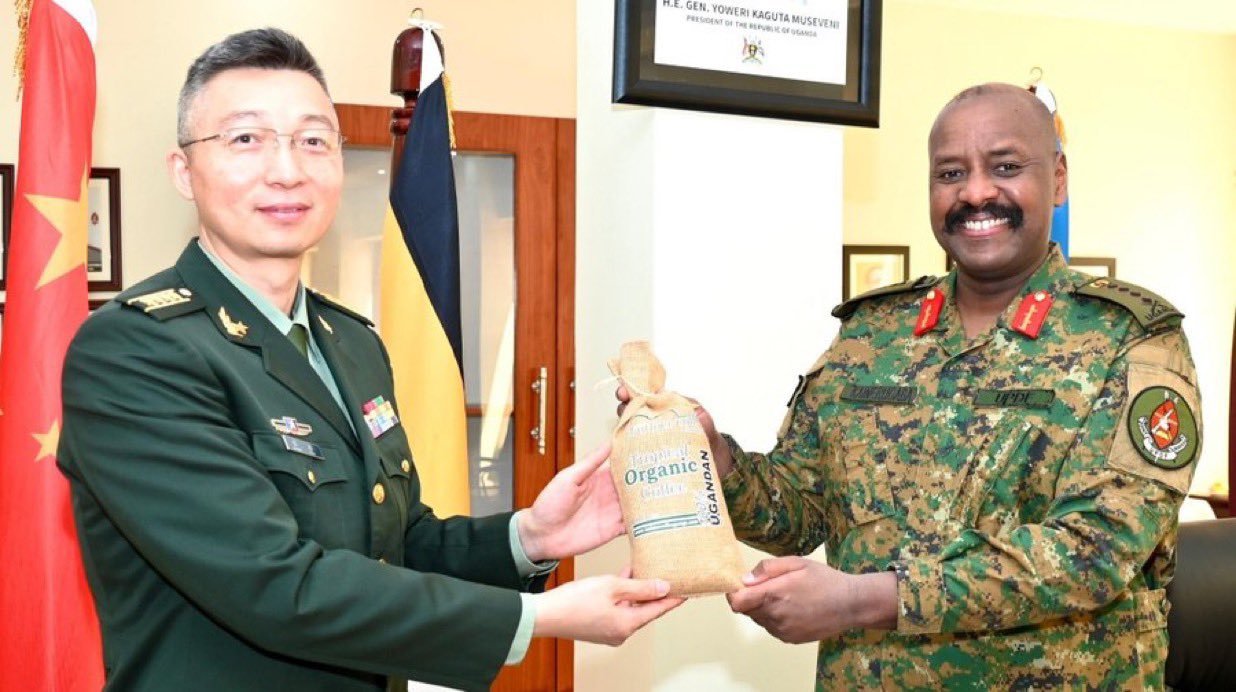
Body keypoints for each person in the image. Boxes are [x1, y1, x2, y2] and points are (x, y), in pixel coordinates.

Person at [58, 28, 680, 692]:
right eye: (246, 139)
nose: (287, 170)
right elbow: (275, 585)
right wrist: (536, 617)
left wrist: (530, 536)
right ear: (184, 172)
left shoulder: (350, 341)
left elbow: (397, 542)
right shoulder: (135, 351)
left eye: (313, 140)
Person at [624, 83, 1202, 688]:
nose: (976, 192)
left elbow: (1093, 553)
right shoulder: (872, 335)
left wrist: (864, 599)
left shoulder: (1131, 342)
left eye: (1005, 167)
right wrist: (714, 458)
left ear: (1057, 179)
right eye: (951, 172)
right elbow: (798, 512)